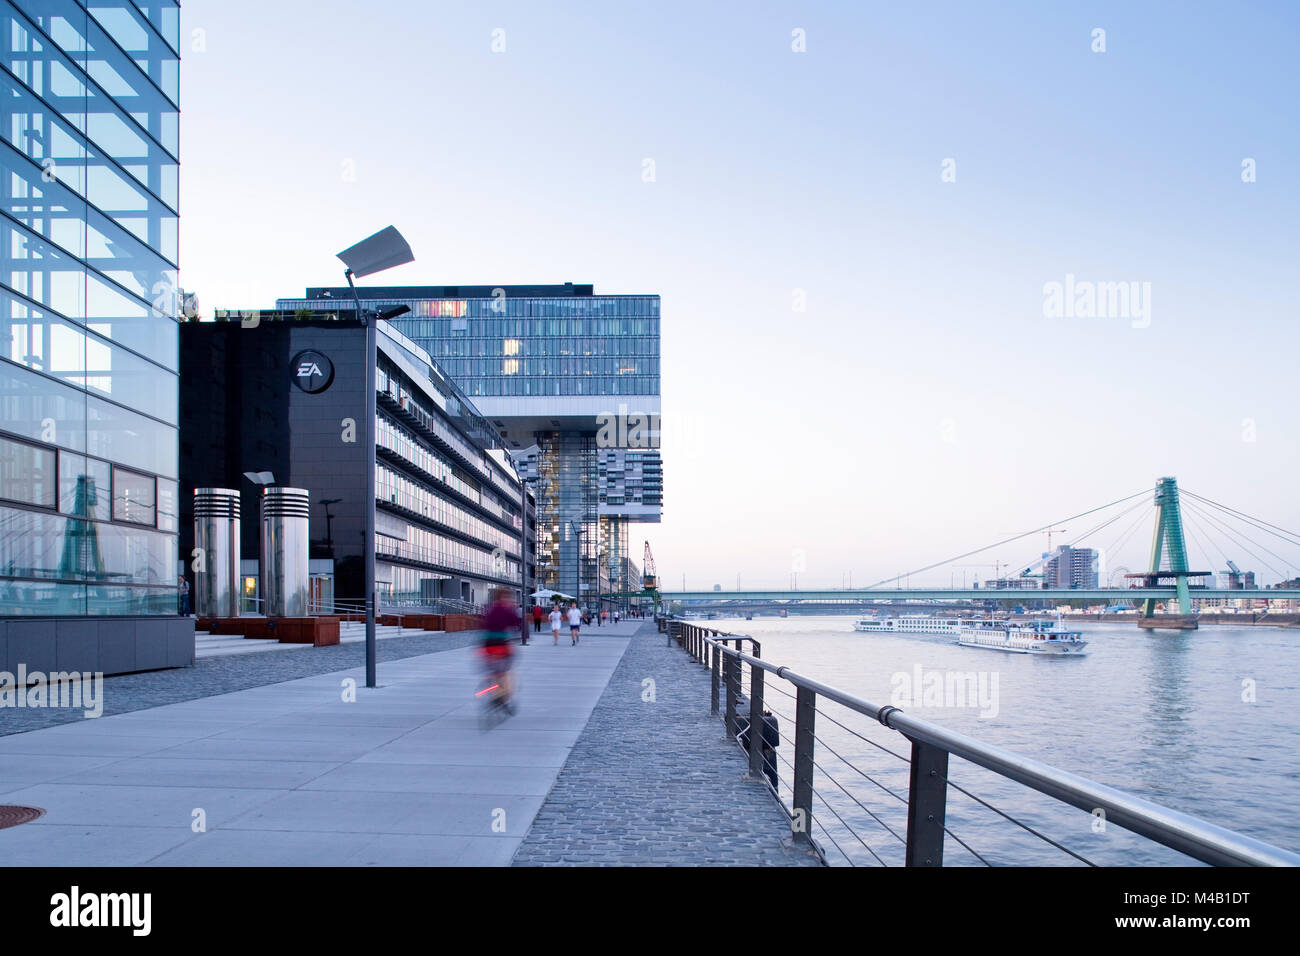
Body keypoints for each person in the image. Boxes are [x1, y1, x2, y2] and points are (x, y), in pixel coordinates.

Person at [480, 588, 521, 712]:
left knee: (494, 671)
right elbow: (516, 625)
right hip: (502, 645)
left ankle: (493, 688)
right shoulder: (507, 610)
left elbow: (484, 626)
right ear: (506, 598)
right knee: (507, 672)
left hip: (487, 644)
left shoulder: (490, 609)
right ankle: (504, 698)